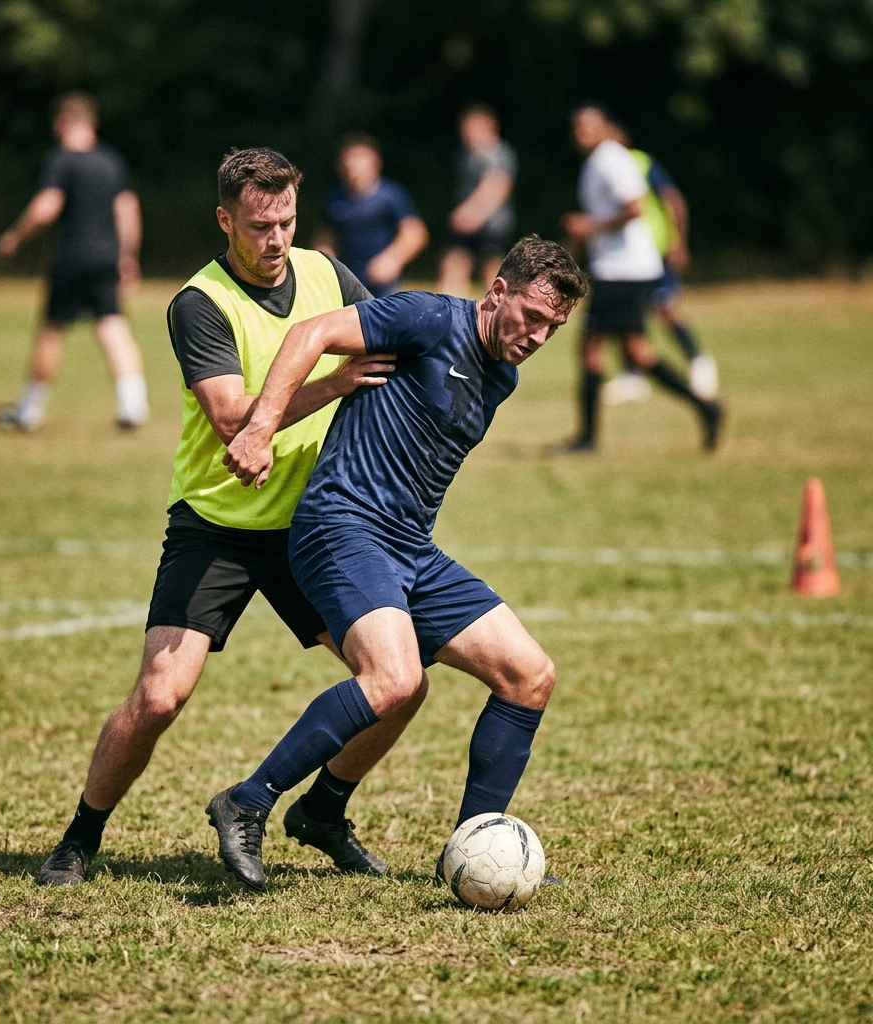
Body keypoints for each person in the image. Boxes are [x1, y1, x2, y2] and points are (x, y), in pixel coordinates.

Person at [35, 147, 427, 888]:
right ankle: (79, 838)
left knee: (397, 683)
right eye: (258, 225)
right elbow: (230, 417)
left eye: (285, 221)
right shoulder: (199, 303)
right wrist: (337, 380)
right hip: (217, 525)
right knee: (159, 695)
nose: (275, 238)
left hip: (315, 525)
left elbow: (394, 344)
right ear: (225, 220)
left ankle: (324, 811)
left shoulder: (327, 274)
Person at [209, 235, 589, 889]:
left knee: (530, 676)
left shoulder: (502, 375)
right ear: (497, 291)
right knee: (395, 680)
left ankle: (461, 841)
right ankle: (247, 800)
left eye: (553, 328)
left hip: (410, 545)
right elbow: (310, 333)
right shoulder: (426, 318)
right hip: (342, 527)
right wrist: (260, 426)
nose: (538, 336)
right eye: (532, 316)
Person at [558, 104, 723, 452]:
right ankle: (706, 407)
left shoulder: (611, 159)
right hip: (619, 268)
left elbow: (635, 207)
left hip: (624, 269)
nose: (581, 134)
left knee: (592, 348)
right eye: (576, 129)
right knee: (637, 353)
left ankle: (588, 439)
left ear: (604, 127)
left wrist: (590, 227)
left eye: (588, 127)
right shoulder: (596, 163)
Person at [0, 92, 149, 432]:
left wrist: (16, 236)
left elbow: (47, 206)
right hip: (107, 257)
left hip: (72, 257)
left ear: (61, 123)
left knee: (52, 329)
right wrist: (127, 257)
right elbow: (127, 210)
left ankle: (29, 411)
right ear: (92, 124)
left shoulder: (62, 161)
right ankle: (132, 405)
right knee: (112, 325)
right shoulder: (112, 161)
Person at [602, 136, 719, 406]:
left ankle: (698, 360)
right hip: (627, 259)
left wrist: (678, 241)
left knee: (666, 307)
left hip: (656, 251)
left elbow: (672, 199)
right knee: (627, 317)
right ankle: (633, 376)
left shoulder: (640, 163)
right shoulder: (601, 168)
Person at [314, 134, 428, 298]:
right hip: (347, 280)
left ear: (376, 162)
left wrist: (392, 259)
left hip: (382, 284)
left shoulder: (390, 195)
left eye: (359, 158)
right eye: (348, 158)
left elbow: (415, 233)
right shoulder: (333, 197)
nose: (352, 164)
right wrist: (324, 264)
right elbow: (326, 236)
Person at [436, 104, 518, 297]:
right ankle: (450, 313)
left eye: (472, 127)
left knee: (493, 274)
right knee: (452, 263)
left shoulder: (497, 152)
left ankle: (500, 317)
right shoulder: (467, 154)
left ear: (490, 126)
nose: (465, 132)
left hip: (492, 225)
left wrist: (472, 213)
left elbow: (498, 185)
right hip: (468, 223)